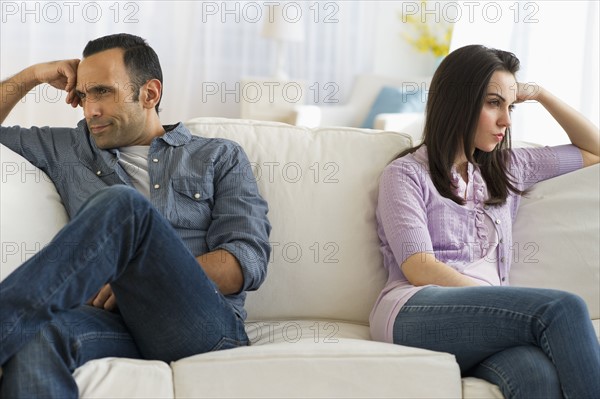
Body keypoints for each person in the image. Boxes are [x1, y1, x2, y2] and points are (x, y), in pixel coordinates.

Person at [0, 33, 271, 397]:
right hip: (112, 324)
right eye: (82, 96)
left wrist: (139, 273)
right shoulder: (66, 149)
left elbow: (247, 261)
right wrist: (32, 74)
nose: (89, 109)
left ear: (150, 94)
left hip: (201, 325)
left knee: (123, 205)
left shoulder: (218, 156)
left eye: (102, 92)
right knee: (36, 335)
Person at [370, 44, 600, 399]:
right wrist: (500, 305)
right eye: (494, 103)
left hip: (487, 324)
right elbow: (419, 267)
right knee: (563, 308)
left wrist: (539, 94)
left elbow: (595, 150)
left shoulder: (509, 167)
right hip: (413, 311)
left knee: (536, 374)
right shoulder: (405, 174)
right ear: (458, 101)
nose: (506, 120)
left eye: (509, 107)